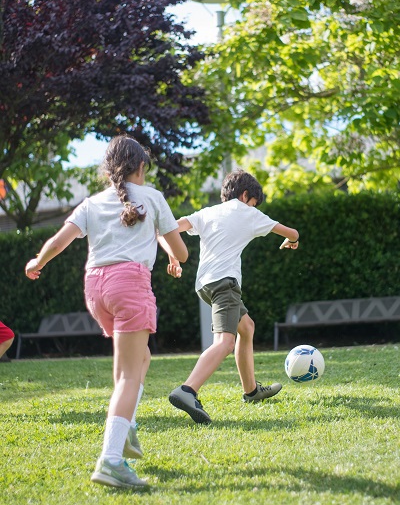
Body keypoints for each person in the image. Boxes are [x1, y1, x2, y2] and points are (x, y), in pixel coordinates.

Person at [25, 135, 188, 489]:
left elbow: (60, 240)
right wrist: (174, 253)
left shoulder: (93, 202)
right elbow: (182, 251)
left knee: (137, 359)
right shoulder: (153, 198)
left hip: (95, 288)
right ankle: (111, 460)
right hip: (129, 284)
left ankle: (125, 425)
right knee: (132, 373)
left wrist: (38, 261)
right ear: (141, 166)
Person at [167, 169, 299, 424]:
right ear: (246, 195)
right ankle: (187, 390)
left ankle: (251, 391)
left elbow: (174, 228)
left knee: (246, 327)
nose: (253, 207)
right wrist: (292, 241)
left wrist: (173, 256)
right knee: (225, 342)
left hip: (204, 284)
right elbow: (292, 232)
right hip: (225, 284)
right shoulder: (248, 212)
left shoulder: (208, 212)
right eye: (253, 202)